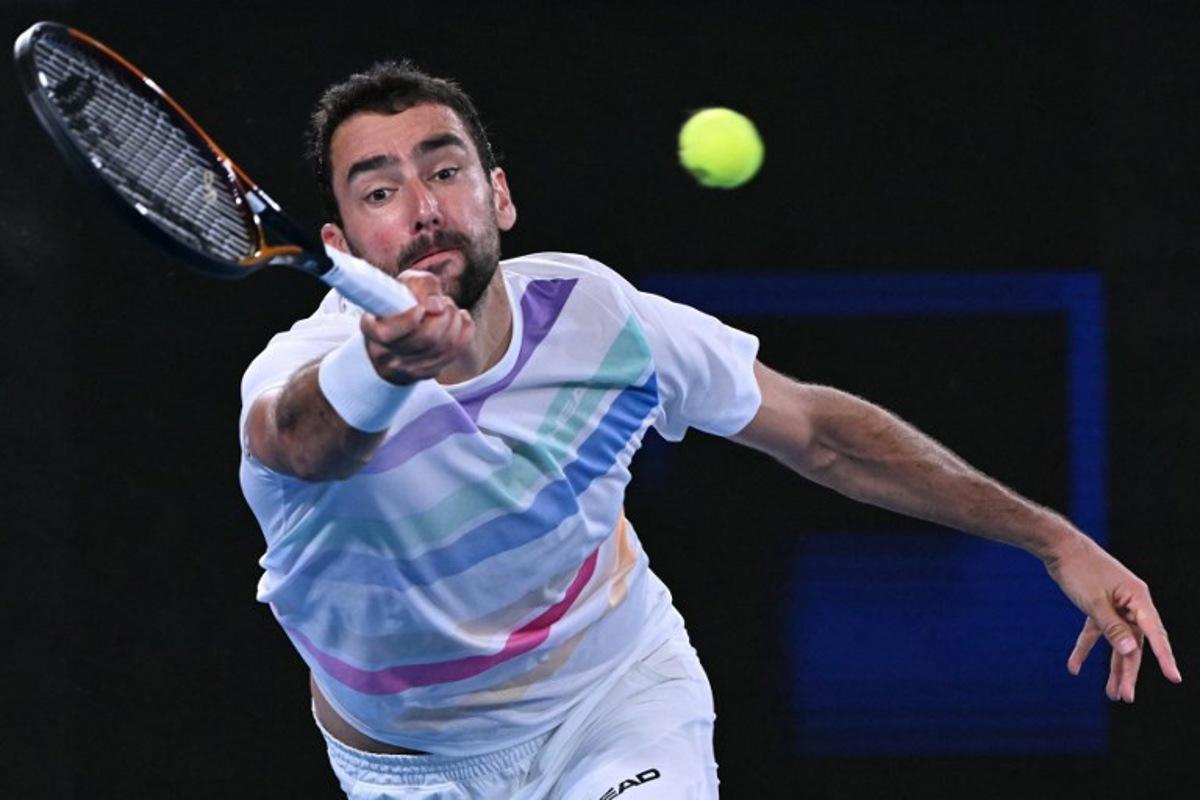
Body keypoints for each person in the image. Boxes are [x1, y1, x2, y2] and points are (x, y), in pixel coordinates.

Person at [237, 61, 1181, 800]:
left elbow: (819, 432)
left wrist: (1053, 539)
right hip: (412, 769)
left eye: (445, 171)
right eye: (380, 191)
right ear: (340, 247)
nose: (425, 208)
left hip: (615, 701)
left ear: (500, 197)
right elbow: (300, 443)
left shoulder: (599, 319)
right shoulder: (304, 373)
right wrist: (384, 369)